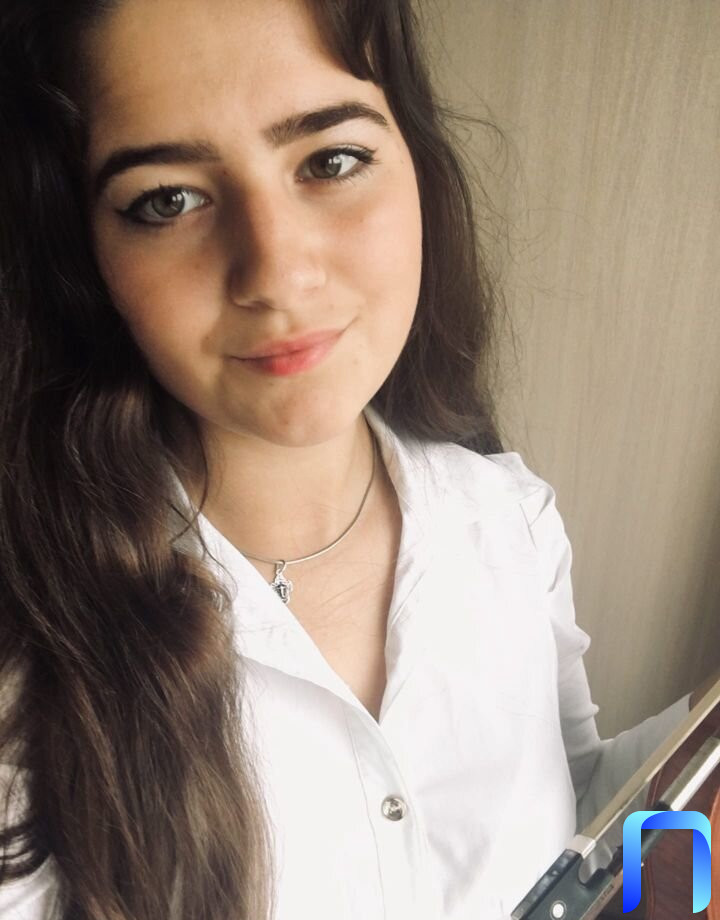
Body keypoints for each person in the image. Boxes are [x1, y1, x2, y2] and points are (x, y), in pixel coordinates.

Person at [0, 1, 705, 918]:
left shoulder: (509, 520)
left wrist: (694, 831)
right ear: (84, 253)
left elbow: (580, 829)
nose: (278, 273)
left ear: (416, 163)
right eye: (168, 199)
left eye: (330, 160)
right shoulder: (30, 656)